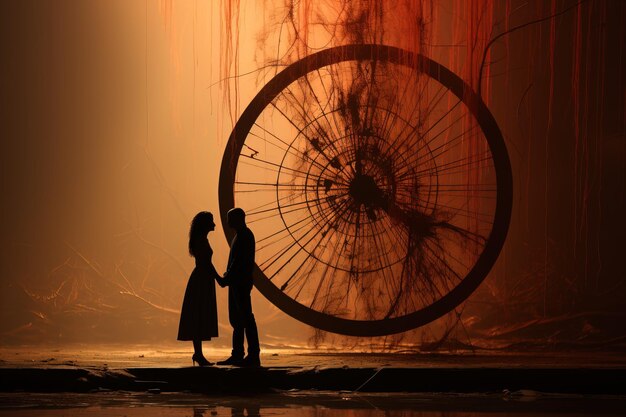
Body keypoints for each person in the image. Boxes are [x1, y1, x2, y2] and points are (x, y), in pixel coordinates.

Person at [216, 208, 260, 367]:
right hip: (238, 282)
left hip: (239, 282)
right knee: (238, 319)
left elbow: (237, 262)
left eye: (229, 219)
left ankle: (249, 354)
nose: (227, 222)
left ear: (236, 219)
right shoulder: (243, 235)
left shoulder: (243, 237)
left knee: (245, 318)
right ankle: (241, 354)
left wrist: (226, 277)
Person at [177, 211, 219, 366]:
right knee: (199, 315)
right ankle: (199, 354)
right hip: (202, 279)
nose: (214, 224)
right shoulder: (201, 240)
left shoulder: (200, 239)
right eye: (212, 221)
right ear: (205, 224)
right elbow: (206, 263)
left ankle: (198, 354)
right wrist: (219, 279)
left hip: (202, 279)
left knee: (199, 315)